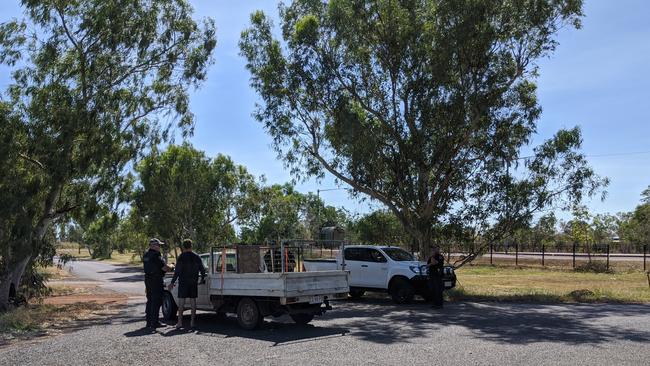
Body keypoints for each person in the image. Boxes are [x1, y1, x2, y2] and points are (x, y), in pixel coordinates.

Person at [167, 239, 206, 328]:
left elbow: (177, 271)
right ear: (191, 246)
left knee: (181, 303)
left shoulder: (181, 257)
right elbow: (202, 270)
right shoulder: (197, 257)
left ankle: (180, 323)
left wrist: (172, 282)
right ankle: (192, 322)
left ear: (184, 247)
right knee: (193, 302)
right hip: (193, 282)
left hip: (183, 282)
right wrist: (202, 278)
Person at [143, 238, 172, 328]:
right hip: (156, 280)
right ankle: (155, 322)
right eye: (158, 245)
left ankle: (149, 321)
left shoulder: (146, 255)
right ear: (153, 246)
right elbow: (164, 267)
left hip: (148, 279)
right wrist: (171, 266)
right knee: (157, 300)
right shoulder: (156, 255)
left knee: (150, 300)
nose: (159, 247)